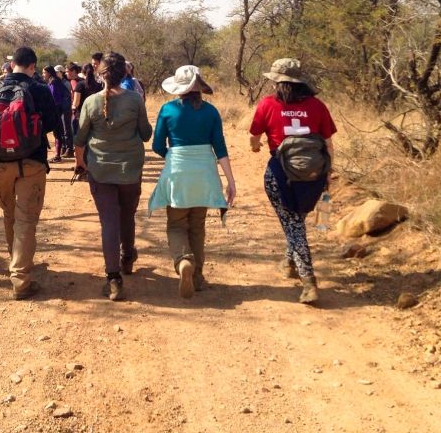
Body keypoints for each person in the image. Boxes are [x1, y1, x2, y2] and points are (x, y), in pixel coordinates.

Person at [0, 46, 60, 300]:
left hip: (0, 163)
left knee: (9, 214)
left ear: (12, 64)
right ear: (32, 66)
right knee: (26, 218)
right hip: (32, 162)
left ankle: (16, 259)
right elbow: (52, 123)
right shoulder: (39, 89)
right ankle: (20, 276)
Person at [249, 58, 336, 305]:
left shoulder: (267, 104)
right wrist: (328, 173)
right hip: (313, 175)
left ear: (277, 81)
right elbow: (329, 144)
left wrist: (256, 148)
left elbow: (254, 137)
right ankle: (289, 262)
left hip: (281, 175)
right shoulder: (317, 106)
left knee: (293, 224)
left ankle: (308, 280)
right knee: (295, 221)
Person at [148, 65, 236, 299]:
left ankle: (183, 261)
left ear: (178, 88)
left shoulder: (167, 110)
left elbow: (157, 145)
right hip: (205, 174)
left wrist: (174, 156)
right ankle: (196, 276)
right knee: (197, 226)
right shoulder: (211, 111)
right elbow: (220, 148)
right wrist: (230, 181)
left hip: (178, 172)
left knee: (176, 225)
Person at [74, 52, 152, 301]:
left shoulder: (91, 102)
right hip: (130, 168)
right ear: (124, 73)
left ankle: (113, 278)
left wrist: (80, 165)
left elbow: (80, 139)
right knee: (127, 214)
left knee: (109, 221)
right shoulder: (135, 99)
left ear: (100, 74)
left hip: (100, 170)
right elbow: (146, 134)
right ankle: (127, 256)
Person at [43, 65, 72, 161]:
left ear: (49, 73)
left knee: (58, 134)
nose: (43, 75)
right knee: (59, 133)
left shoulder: (54, 82)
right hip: (61, 111)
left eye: (44, 72)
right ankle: (58, 154)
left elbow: (56, 100)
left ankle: (57, 155)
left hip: (59, 111)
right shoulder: (54, 81)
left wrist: (52, 112)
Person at [70, 63, 95, 135]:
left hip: (81, 115)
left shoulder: (80, 85)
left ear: (82, 72)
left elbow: (76, 103)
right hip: (94, 116)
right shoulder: (98, 84)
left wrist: (72, 106)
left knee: (79, 138)